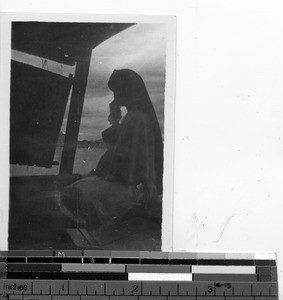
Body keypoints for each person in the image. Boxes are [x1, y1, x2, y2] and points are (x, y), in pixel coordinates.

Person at [58, 69, 163, 232]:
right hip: (119, 181)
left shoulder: (137, 119)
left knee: (72, 194)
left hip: (125, 186)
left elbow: (133, 156)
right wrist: (115, 120)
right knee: (71, 192)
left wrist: (148, 186)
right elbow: (118, 154)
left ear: (127, 91)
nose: (114, 97)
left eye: (116, 92)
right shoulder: (132, 117)